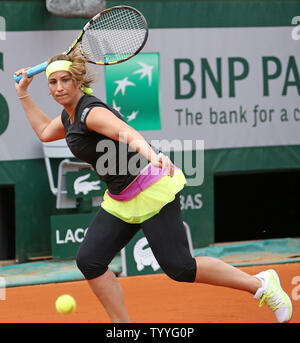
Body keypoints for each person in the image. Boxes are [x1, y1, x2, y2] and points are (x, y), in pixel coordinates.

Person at [14, 50, 293, 323]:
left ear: (78, 82)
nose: (59, 87)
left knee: (180, 267)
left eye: (65, 80)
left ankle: (260, 284)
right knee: (90, 261)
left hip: (149, 189)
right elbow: (43, 132)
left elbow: (126, 132)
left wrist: (151, 154)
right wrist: (24, 94)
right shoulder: (68, 116)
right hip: (121, 198)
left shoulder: (90, 113)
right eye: (53, 82)